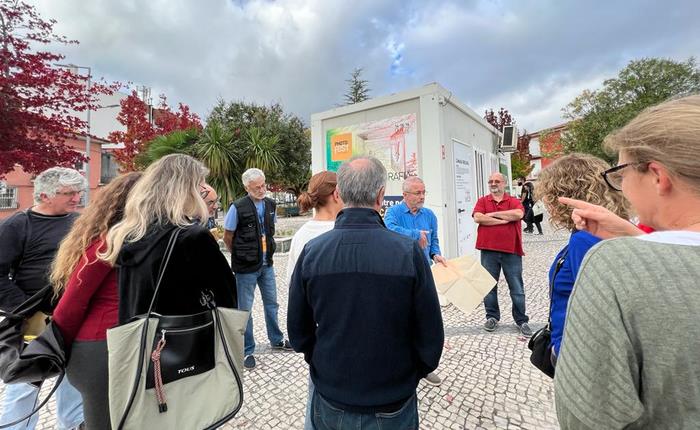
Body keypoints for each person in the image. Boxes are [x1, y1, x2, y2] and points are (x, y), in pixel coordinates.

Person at [554, 95, 700, 428]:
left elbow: (587, 414)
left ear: (658, 176)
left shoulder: (612, 265)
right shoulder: (631, 249)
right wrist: (633, 235)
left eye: (620, 173)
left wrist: (628, 248)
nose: (619, 187)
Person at [288, 156, 444, 430]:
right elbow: (430, 331)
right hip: (392, 395)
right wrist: (411, 373)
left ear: (339, 193)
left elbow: (298, 331)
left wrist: (321, 361)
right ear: (381, 196)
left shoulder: (313, 251)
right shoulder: (407, 252)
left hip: (334, 392)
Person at [50, 172, 142, 430]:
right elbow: (70, 305)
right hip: (97, 349)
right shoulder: (107, 243)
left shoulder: (139, 240)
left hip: (122, 344)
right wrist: (59, 347)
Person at [100, 154, 237, 324]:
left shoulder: (128, 233)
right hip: (185, 335)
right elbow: (226, 296)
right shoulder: (192, 238)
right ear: (187, 191)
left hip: (141, 336)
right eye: (200, 187)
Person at [0, 167, 85, 430]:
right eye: (68, 193)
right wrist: (26, 310)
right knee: (25, 386)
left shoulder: (80, 223)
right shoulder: (18, 225)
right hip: (33, 322)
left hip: (75, 318)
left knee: (75, 384)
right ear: (45, 195)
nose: (76, 198)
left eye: (78, 192)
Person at [533, 154, 629, 362]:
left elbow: (599, 311)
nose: (547, 204)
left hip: (575, 354)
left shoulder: (585, 238)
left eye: (550, 195)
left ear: (565, 194)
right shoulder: (611, 227)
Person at [284, 171, 343, 430]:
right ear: (336, 194)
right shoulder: (341, 231)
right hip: (346, 327)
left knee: (316, 400)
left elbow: (294, 289)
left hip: (318, 333)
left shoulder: (301, 236)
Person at [223, 168, 290, 370]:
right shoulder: (237, 207)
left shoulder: (270, 204)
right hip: (246, 268)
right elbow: (228, 236)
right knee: (245, 309)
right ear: (247, 188)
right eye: (256, 187)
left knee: (272, 304)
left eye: (263, 185)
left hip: (267, 264)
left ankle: (277, 340)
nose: (262, 190)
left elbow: (269, 232)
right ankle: (247, 350)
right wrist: (239, 254)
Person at [383, 175, 446, 387]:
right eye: (417, 193)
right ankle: (399, 365)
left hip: (424, 272)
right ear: (405, 195)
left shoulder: (429, 215)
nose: (422, 196)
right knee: (400, 319)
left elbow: (433, 240)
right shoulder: (393, 213)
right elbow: (389, 231)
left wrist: (436, 254)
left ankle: (424, 366)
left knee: (424, 319)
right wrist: (415, 234)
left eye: (423, 192)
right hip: (399, 273)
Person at [472, 172, 531, 336]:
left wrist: (491, 214)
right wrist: (504, 220)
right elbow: (478, 218)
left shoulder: (513, 201)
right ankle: (492, 317)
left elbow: (518, 214)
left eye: (497, 181)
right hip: (488, 250)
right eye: (490, 181)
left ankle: (521, 320)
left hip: (511, 250)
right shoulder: (483, 201)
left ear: (504, 183)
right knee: (488, 286)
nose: (493, 183)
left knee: (516, 287)